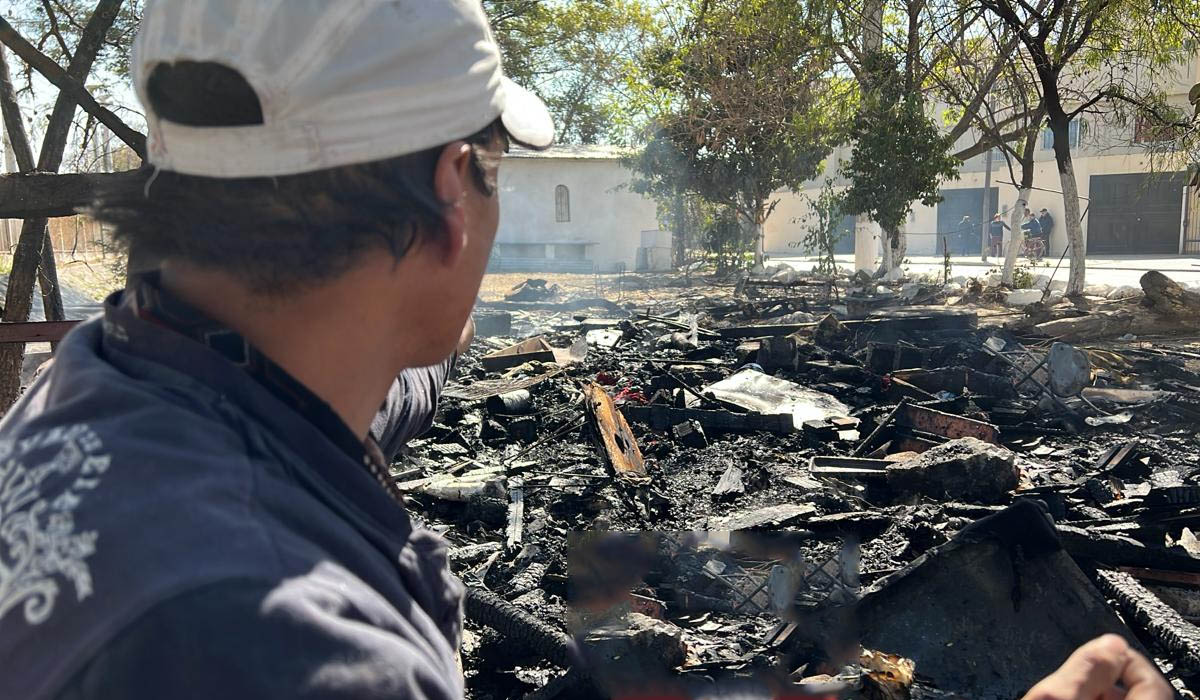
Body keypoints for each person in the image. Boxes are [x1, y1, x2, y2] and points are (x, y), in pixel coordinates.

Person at [0, 4, 1173, 700]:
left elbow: (387, 379)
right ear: (457, 189)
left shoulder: (115, 376)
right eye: (495, 163)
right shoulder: (287, 644)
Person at [0, 1, 552, 698]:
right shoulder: (314, 657)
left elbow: (362, 404)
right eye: (493, 174)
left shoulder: (101, 374)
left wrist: (429, 328)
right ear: (452, 188)